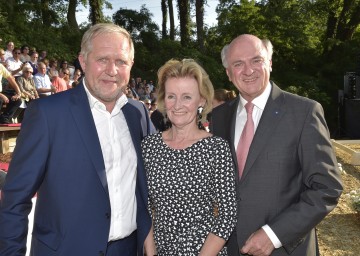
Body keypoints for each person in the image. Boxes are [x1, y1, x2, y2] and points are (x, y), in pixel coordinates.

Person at [0, 23, 153, 255]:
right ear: (83, 61)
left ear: (131, 65)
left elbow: (156, 180)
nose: (112, 70)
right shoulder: (47, 113)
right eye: (102, 59)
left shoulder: (137, 113)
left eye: (121, 61)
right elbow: (15, 199)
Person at [210, 34, 343, 256]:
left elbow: (327, 187)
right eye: (238, 64)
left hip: (285, 249)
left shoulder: (304, 112)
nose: (248, 70)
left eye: (256, 60)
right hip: (230, 248)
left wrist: (274, 235)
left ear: (269, 63)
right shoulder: (219, 117)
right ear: (228, 73)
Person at [142, 58, 237, 255]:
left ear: (201, 100)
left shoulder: (216, 149)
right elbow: (144, 208)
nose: (178, 105)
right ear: (163, 99)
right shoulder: (149, 147)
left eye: (187, 97)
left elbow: (227, 215)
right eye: (171, 96)